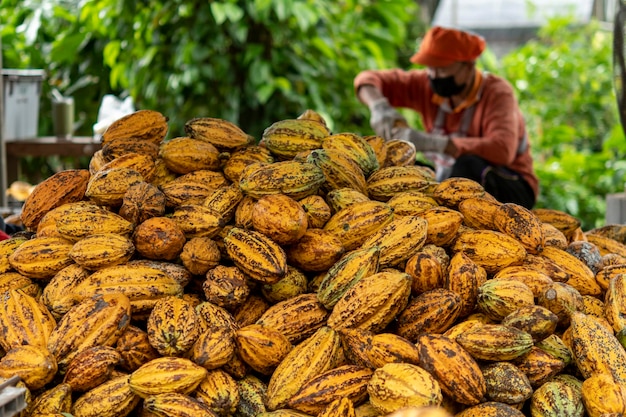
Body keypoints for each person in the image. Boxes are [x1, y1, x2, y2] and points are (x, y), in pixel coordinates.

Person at [354, 26, 538, 209]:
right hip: (450, 179)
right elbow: (366, 79)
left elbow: (502, 150)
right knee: (401, 169)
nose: (434, 76)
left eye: (442, 69)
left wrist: (438, 144)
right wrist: (379, 106)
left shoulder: (497, 93)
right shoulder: (425, 85)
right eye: (430, 69)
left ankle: (454, 223)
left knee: (468, 164)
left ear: (468, 66)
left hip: (509, 184)